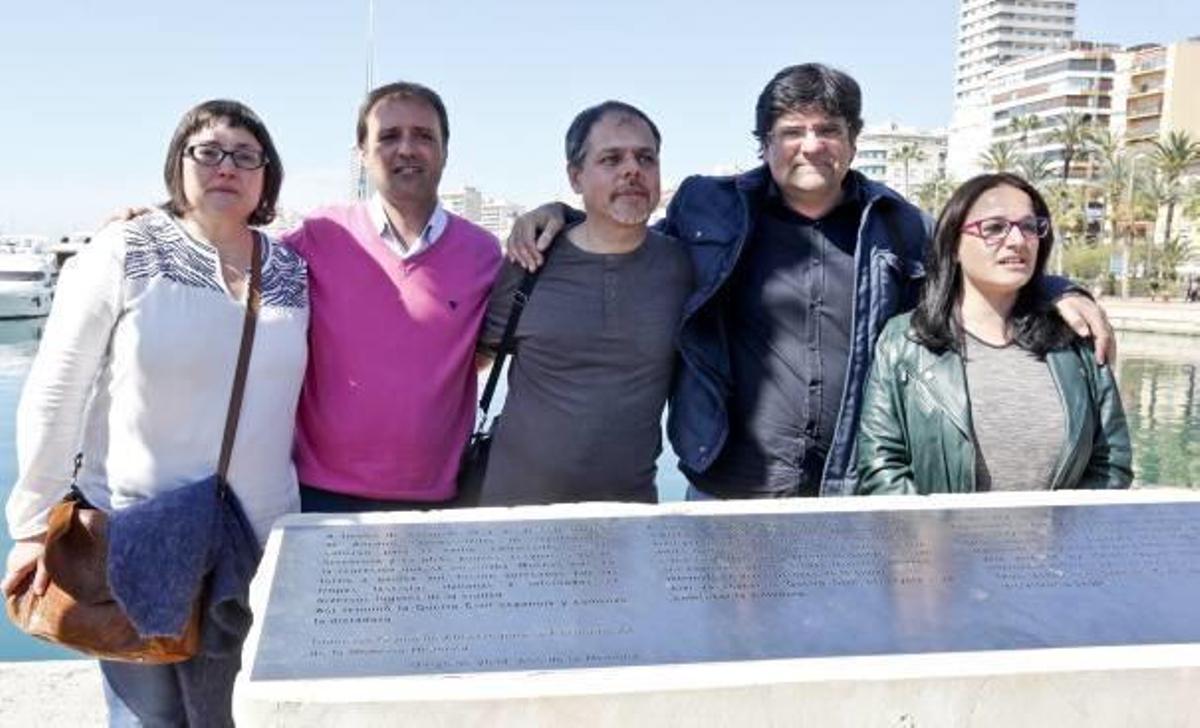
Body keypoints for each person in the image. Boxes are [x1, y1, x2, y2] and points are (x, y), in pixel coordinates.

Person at [506, 63, 1116, 499]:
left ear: (852, 140)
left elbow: (975, 267)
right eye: (792, 131)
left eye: (827, 129)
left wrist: (1056, 289)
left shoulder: (898, 225)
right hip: (732, 483)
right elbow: (625, 229)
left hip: (849, 485)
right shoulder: (708, 209)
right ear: (765, 143)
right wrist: (561, 216)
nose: (811, 145)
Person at [2, 100, 309, 725]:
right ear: (179, 163)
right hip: (135, 530)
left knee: (237, 713)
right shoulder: (126, 250)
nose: (227, 166)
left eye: (246, 156)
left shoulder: (293, 270)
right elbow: (57, 388)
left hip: (255, 538)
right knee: (149, 718)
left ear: (266, 176)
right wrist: (33, 526)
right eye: (209, 151)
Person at [284, 81, 502, 512]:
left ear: (444, 150)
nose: (407, 149)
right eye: (388, 136)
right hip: (321, 497)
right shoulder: (319, 235)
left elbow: (483, 350)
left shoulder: (484, 253)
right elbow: (235, 258)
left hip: (441, 500)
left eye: (423, 136)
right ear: (362, 154)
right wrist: (153, 222)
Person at [856, 173, 1132, 494]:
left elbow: (1111, 461)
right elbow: (881, 465)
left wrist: (1064, 536)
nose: (1017, 240)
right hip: (942, 542)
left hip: (1057, 543)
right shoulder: (905, 340)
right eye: (994, 228)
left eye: (1029, 227)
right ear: (954, 245)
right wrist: (931, 537)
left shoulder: (1074, 338)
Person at [477, 101, 692, 506]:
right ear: (575, 177)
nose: (632, 170)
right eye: (611, 159)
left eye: (645, 158)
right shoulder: (528, 261)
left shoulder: (683, 267)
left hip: (630, 520)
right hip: (512, 518)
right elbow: (479, 357)